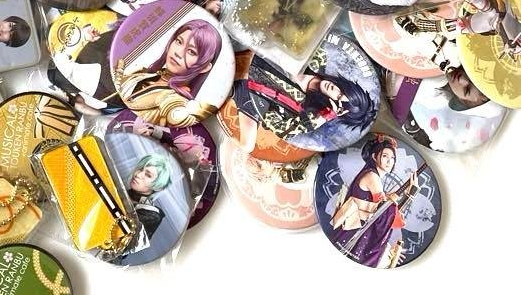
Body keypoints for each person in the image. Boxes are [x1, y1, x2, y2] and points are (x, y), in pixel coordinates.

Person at [232, 52, 376, 150]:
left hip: (248, 89)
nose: (335, 89)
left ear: (336, 109)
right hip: (255, 52)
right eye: (342, 90)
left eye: (338, 97)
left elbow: (277, 126)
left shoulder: (301, 111)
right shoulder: (318, 61)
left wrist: (324, 117)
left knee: (247, 145)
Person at [327, 134, 420, 268]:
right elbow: (383, 213)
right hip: (355, 233)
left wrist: (401, 197)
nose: (390, 161)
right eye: (385, 156)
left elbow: (383, 209)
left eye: (392, 158)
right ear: (374, 157)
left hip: (358, 231)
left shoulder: (370, 174)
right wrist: (410, 196)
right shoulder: (373, 177)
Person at [113, 19, 223, 126]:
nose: (178, 53)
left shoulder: (175, 99)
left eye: (191, 51)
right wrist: (118, 71)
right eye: (179, 41)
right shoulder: (147, 74)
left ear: (205, 67)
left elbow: (176, 114)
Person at [125, 152, 173, 240]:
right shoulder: (122, 191)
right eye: (140, 169)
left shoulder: (151, 215)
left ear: (158, 187)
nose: (137, 175)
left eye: (148, 175)